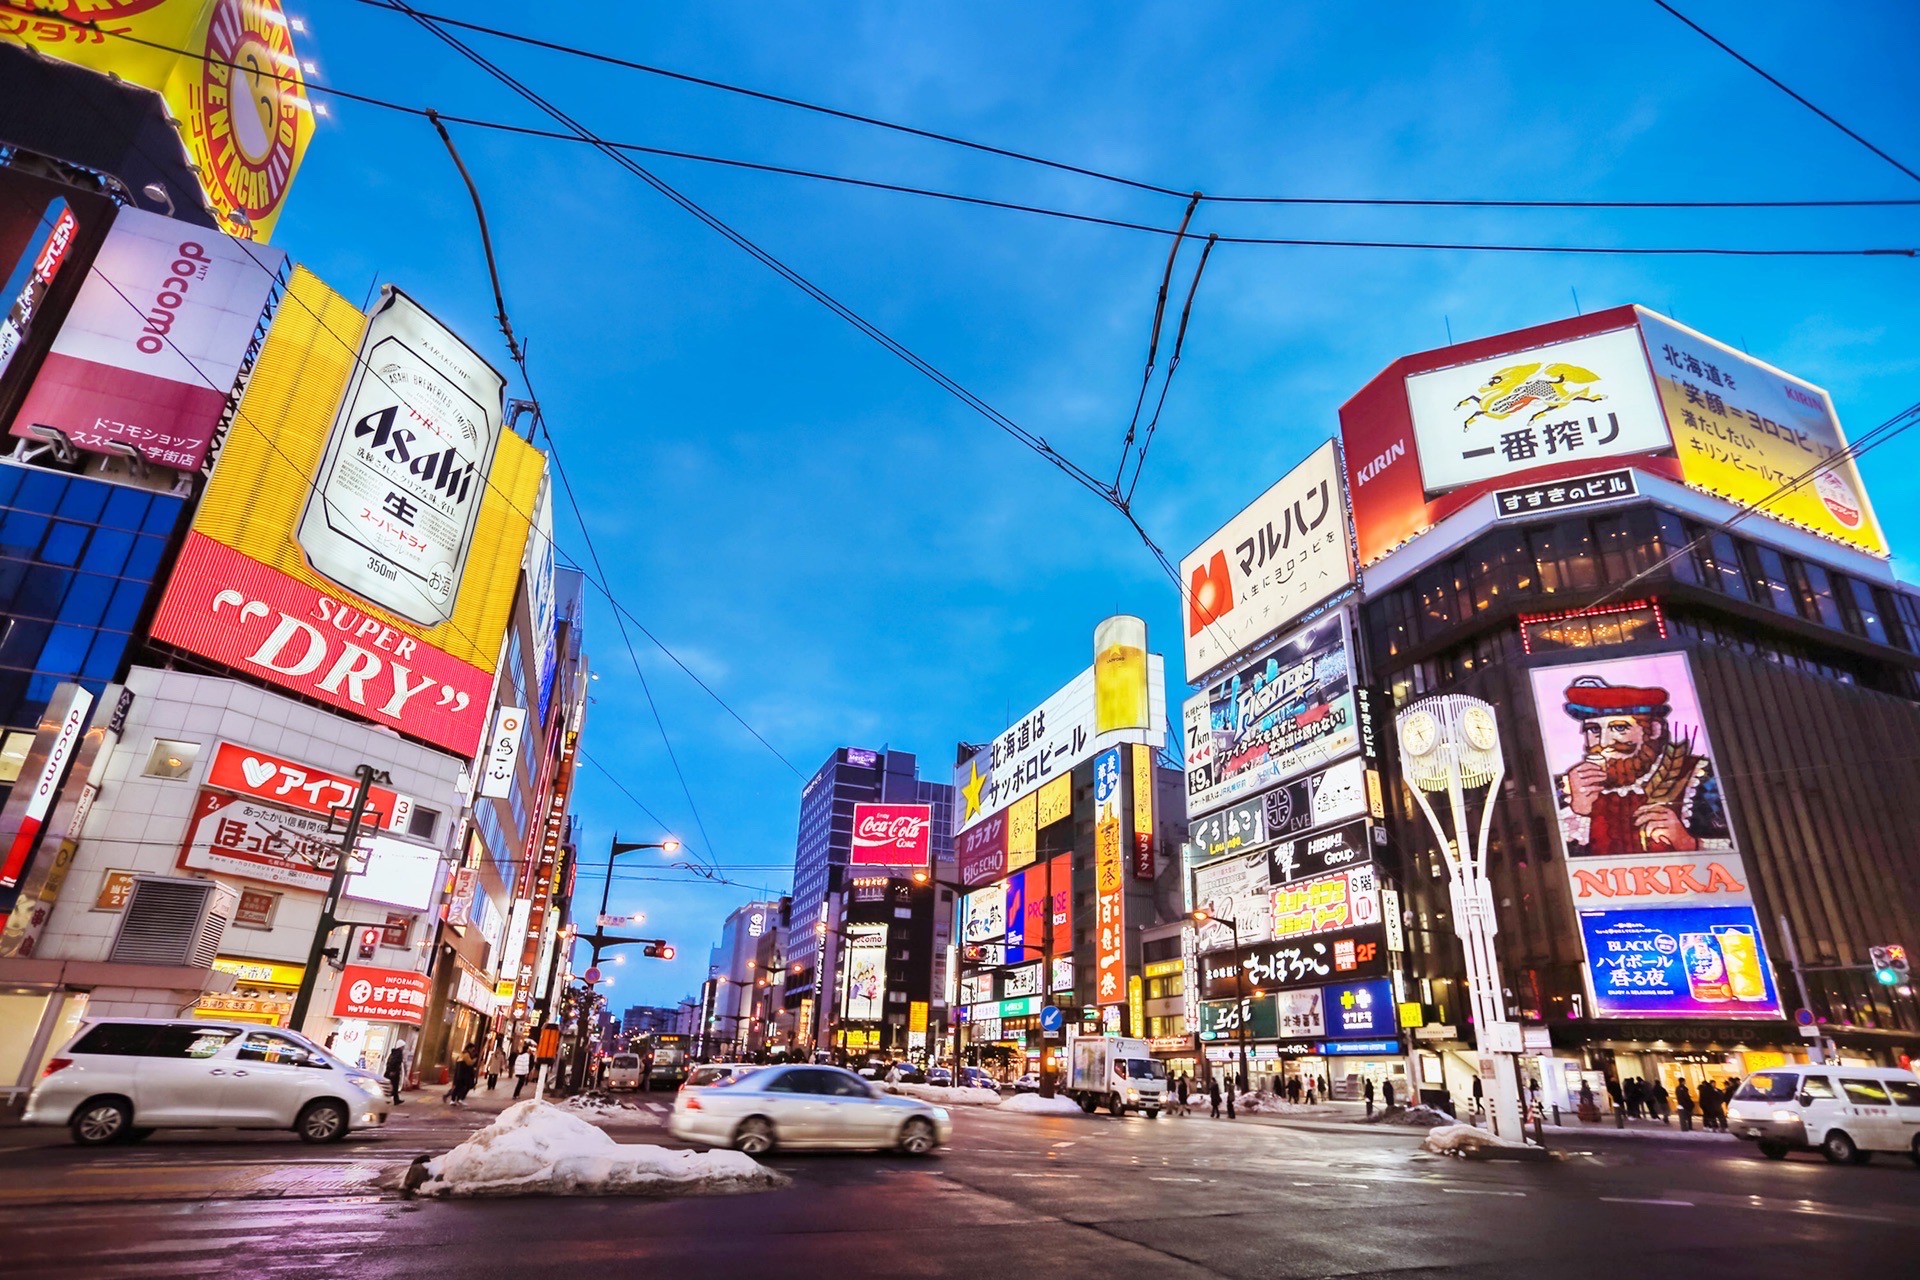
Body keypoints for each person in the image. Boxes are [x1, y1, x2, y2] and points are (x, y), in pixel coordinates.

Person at [1551, 676, 1731, 857]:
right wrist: (1579, 811)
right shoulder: (1565, 788)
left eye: (1619, 728)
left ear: (1653, 730)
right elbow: (1544, 858)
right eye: (1594, 730)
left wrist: (1689, 843)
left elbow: (1744, 845)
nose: (1604, 742)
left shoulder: (1700, 777)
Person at [383, 1041, 406, 1106]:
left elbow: (389, 1062)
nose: (403, 1048)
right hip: (393, 1073)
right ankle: (390, 1099)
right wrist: (393, 1071)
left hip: (390, 1072)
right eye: (403, 1046)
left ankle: (395, 1099)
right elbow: (395, 1063)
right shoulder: (398, 1053)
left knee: (393, 1086)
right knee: (393, 1086)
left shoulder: (393, 1053)